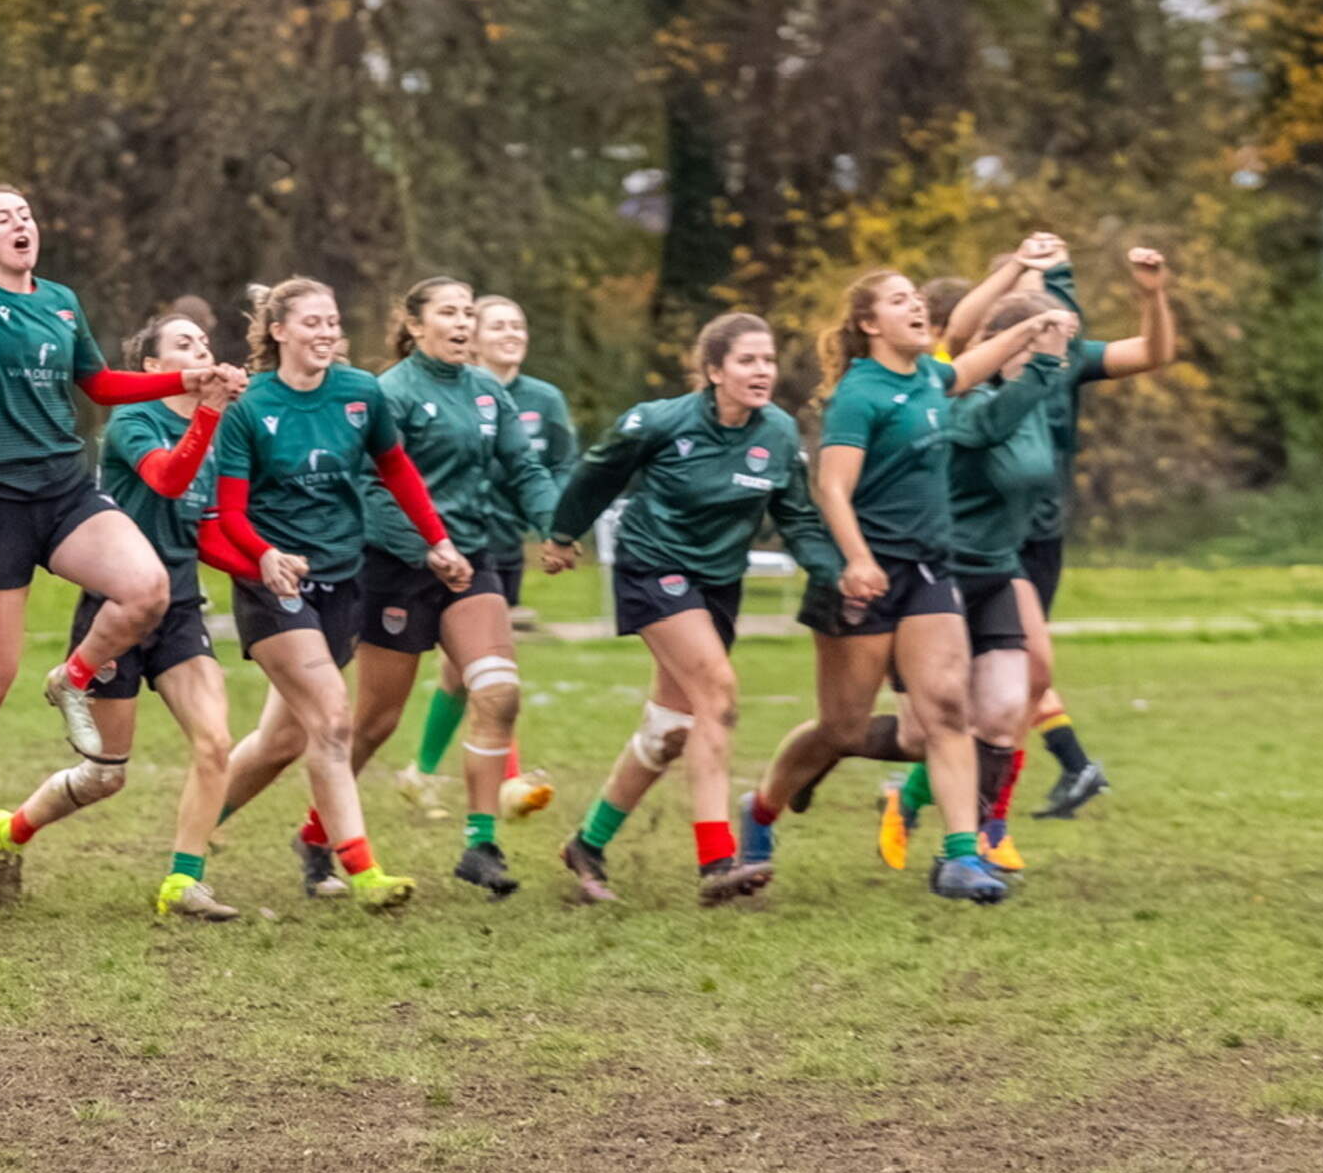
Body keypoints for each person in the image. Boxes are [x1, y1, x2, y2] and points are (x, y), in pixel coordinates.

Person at [0, 185, 227, 903]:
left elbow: (101, 385)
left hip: (64, 489)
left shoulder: (60, 299)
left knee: (146, 587)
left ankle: (72, 678)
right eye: (3, 217)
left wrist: (184, 379)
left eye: (26, 213)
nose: (21, 222)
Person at [732, 271, 1066, 906]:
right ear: (868, 324)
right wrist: (856, 561)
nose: (916, 305)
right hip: (864, 576)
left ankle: (960, 858)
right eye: (898, 300)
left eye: (918, 297)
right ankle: (763, 808)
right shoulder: (860, 394)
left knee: (946, 710)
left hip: (929, 571)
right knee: (842, 728)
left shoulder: (930, 381)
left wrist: (1029, 326)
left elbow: (970, 366)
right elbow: (831, 488)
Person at [541, 312, 838, 905]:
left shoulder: (777, 433)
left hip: (716, 583)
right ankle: (716, 862)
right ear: (713, 371)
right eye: (747, 360)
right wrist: (561, 533)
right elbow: (598, 473)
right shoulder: (660, 421)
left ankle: (588, 843)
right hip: (653, 567)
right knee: (718, 694)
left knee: (671, 730)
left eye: (768, 360)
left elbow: (797, 516)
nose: (762, 371)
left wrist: (834, 571)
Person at [0, 311, 246, 922]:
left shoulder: (216, 426)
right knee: (105, 776)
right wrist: (208, 413)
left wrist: (265, 566)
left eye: (204, 340)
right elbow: (169, 481)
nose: (201, 348)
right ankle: (12, 827)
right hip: (116, 614)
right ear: (152, 367)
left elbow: (203, 527)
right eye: (183, 344)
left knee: (215, 743)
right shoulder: (133, 420)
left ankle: (184, 881)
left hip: (179, 609)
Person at [196, 279, 445, 910]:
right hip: (273, 583)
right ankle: (362, 869)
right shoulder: (250, 408)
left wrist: (436, 539)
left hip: (344, 579)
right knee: (334, 719)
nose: (327, 333)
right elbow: (228, 511)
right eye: (313, 322)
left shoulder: (361, 394)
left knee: (281, 742)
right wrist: (266, 556)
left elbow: (396, 469)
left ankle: (188, 839)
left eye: (333, 322)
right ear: (278, 331)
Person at [927, 234, 1178, 828]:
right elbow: (958, 333)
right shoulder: (965, 371)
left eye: (1054, 294)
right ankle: (929, 792)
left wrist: (1154, 295)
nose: (1051, 311)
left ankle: (985, 821)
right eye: (1032, 295)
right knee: (954, 702)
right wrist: (1018, 269)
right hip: (963, 543)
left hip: (1033, 536)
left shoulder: (1063, 360)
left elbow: (1152, 351)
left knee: (1026, 681)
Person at [334, 278, 553, 898]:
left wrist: (556, 526)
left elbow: (525, 467)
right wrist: (427, 548)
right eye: (449, 313)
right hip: (398, 567)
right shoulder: (389, 393)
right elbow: (370, 488)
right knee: (375, 723)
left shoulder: (487, 392)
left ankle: (480, 844)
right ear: (414, 323)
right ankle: (319, 831)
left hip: (471, 562)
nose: (463, 323)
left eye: (469, 313)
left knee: (499, 693)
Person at [867, 288, 1077, 876]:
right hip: (937, 572)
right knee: (924, 729)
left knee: (1008, 706)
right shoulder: (955, 396)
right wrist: (1037, 355)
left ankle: (975, 840)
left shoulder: (1037, 391)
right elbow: (989, 420)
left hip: (998, 568)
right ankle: (865, 775)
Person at [402, 292, 575, 819]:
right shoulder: (436, 392)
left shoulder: (543, 400)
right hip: (445, 545)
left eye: (518, 325)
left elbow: (557, 466)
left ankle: (423, 772)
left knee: (468, 671)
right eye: (498, 325)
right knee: (487, 667)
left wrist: (558, 524)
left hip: (500, 543)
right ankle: (508, 778)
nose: (510, 335)